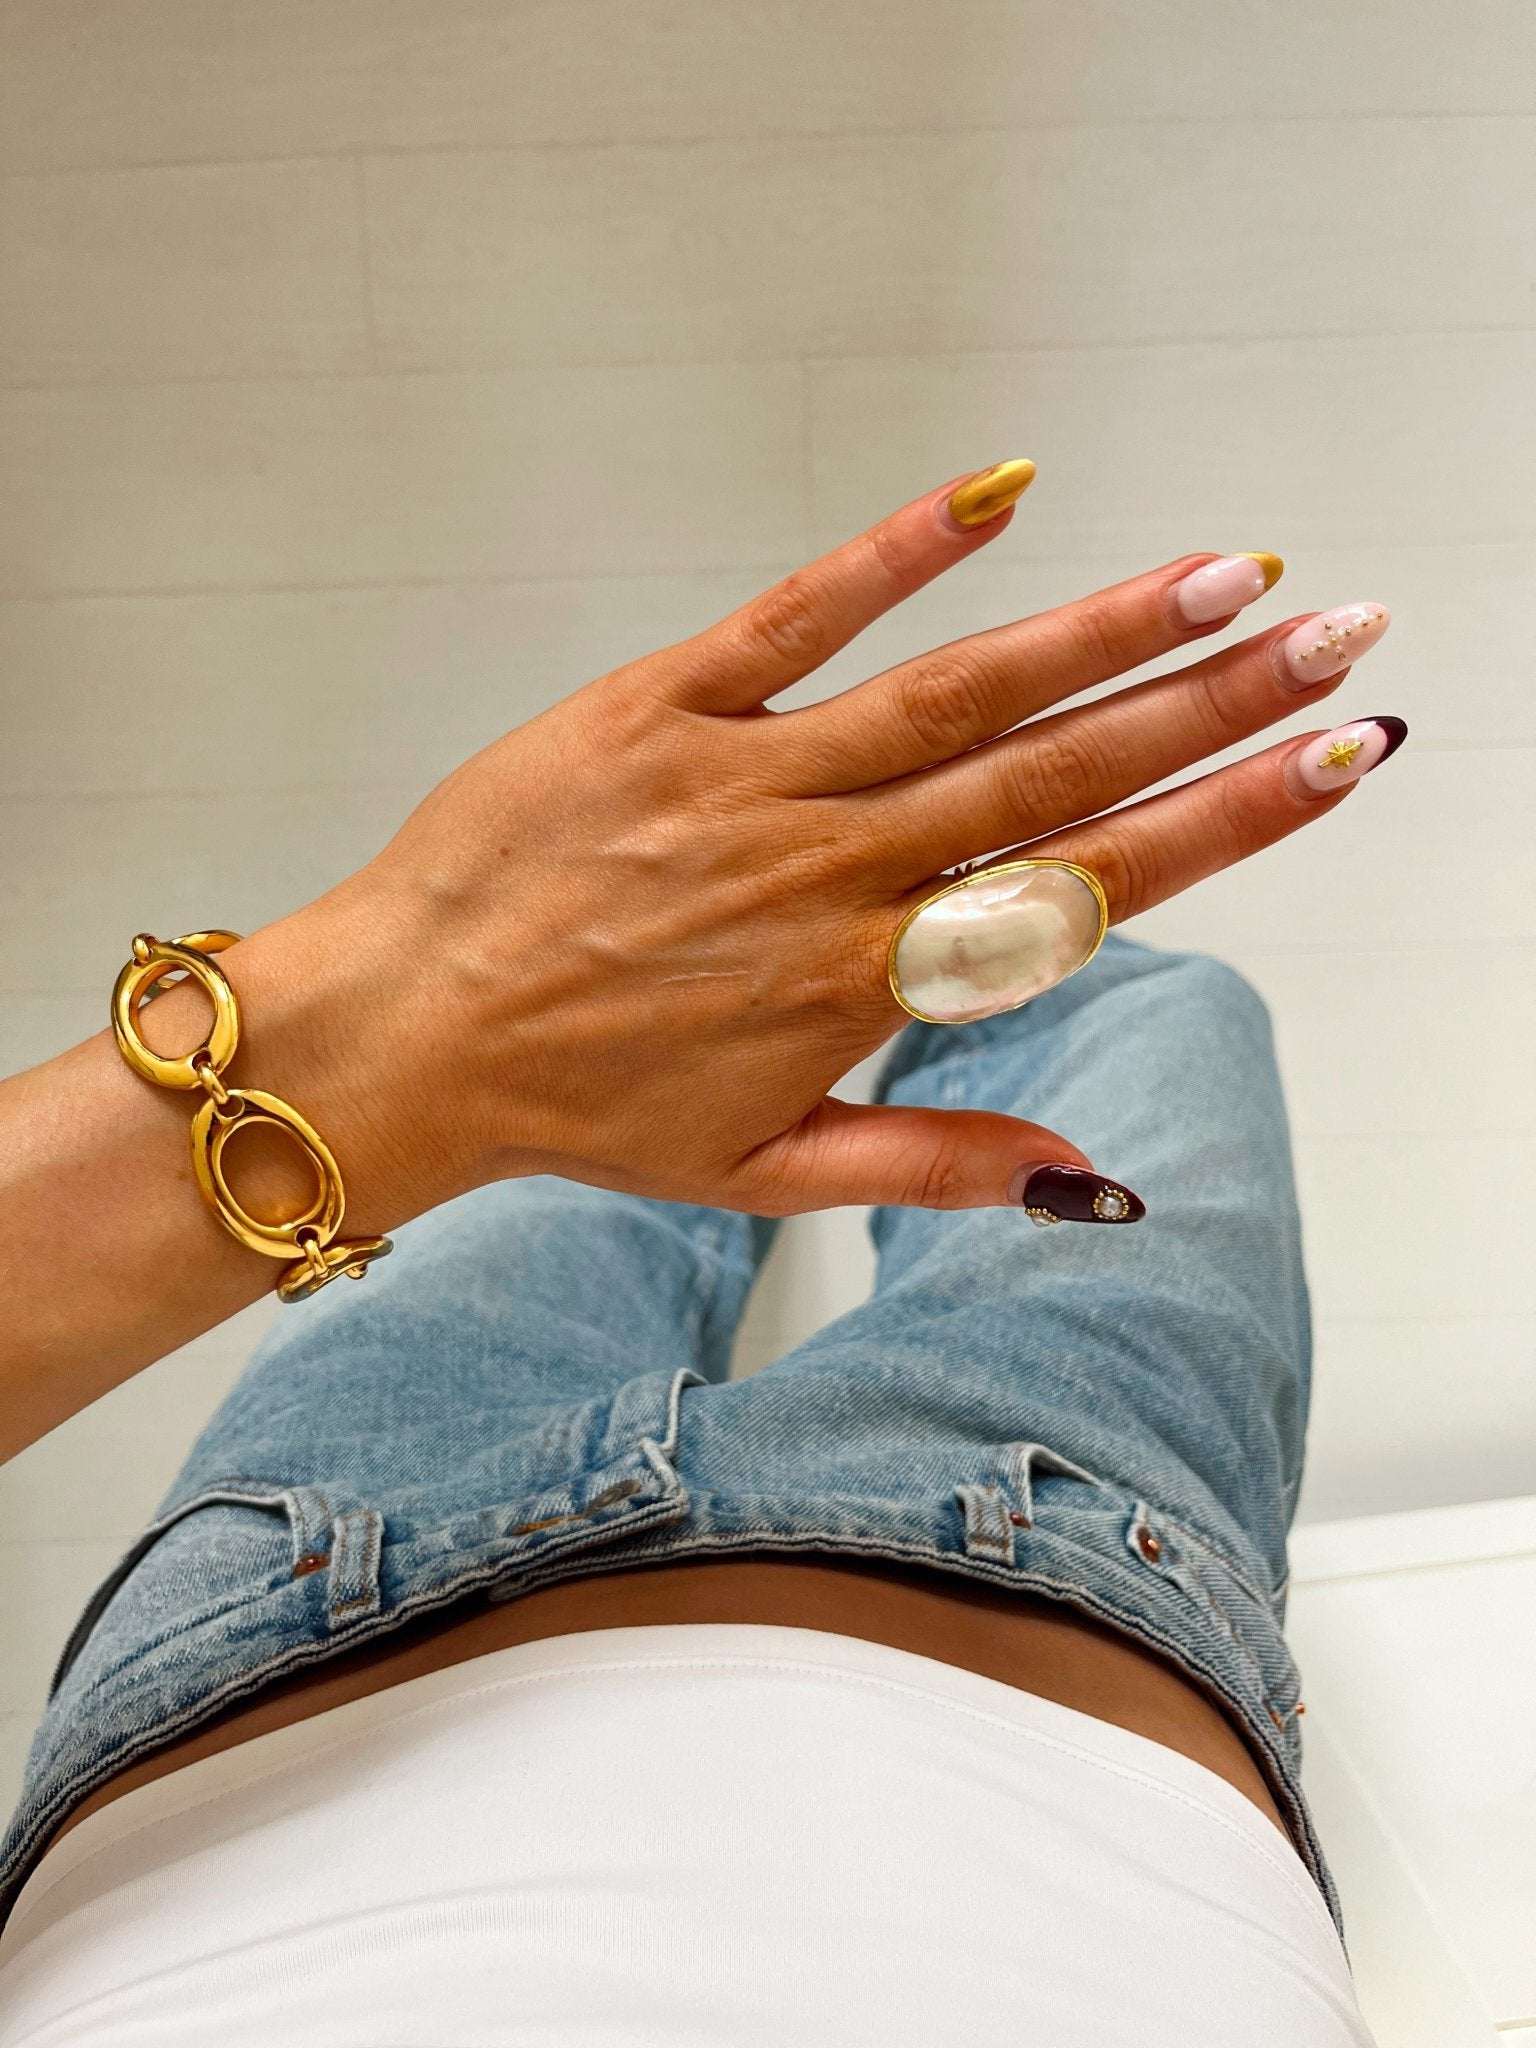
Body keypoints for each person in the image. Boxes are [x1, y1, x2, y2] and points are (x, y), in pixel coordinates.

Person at [0, 460, 1396, 2042]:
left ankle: (743, 1009)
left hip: (293, 1603)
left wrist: (416, 1017)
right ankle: (853, 986)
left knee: (580, 1148)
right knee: (1141, 1002)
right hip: (1064, 1558)